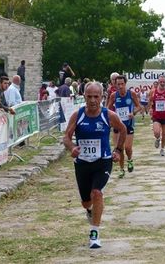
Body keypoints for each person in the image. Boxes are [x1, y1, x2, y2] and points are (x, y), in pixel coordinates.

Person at [63, 81, 126, 249]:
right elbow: (66, 136)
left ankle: (94, 233)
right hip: (82, 163)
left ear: (102, 97)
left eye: (96, 97)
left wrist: (118, 150)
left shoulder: (108, 115)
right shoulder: (78, 115)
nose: (92, 100)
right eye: (89, 96)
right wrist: (72, 148)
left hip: (102, 161)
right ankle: (90, 211)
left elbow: (123, 129)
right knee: (86, 202)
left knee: (97, 193)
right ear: (84, 97)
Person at [107, 75, 141, 178]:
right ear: (115, 85)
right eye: (118, 84)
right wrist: (111, 118)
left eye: (122, 84)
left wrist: (133, 113)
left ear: (125, 84)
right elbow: (107, 109)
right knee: (119, 148)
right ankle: (121, 169)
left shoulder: (131, 94)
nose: (120, 86)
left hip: (128, 125)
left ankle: (130, 160)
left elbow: (139, 106)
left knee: (128, 148)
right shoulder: (114, 95)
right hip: (118, 126)